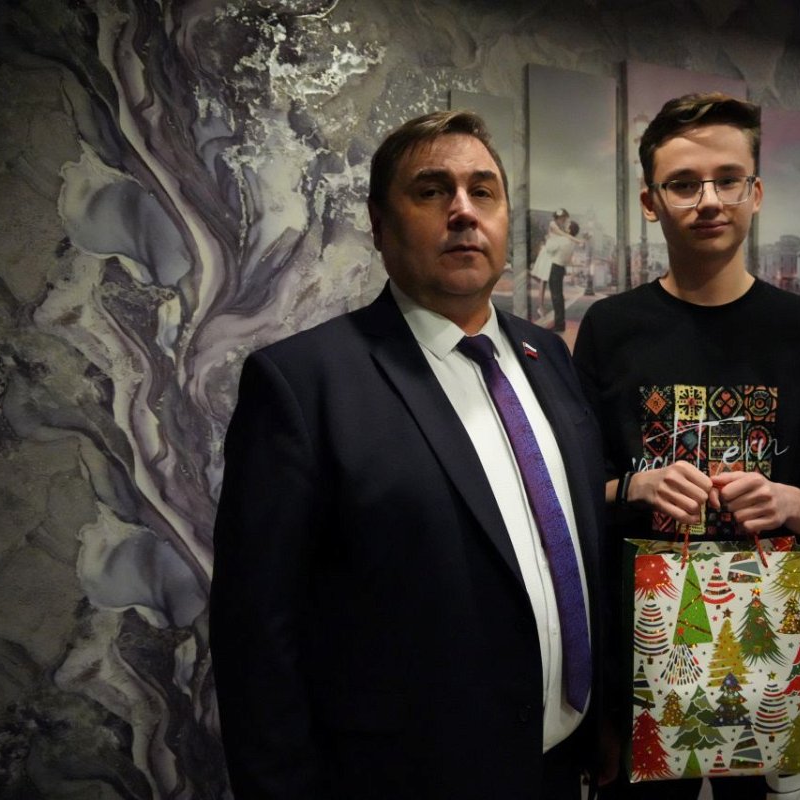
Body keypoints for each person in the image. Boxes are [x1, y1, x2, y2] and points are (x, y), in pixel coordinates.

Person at [210, 110, 605, 800]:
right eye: (431, 190)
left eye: (483, 191)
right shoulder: (304, 385)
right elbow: (257, 634)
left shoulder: (548, 357)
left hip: (560, 767)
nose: (463, 211)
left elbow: (570, 539)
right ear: (379, 222)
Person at [573, 93, 800, 799]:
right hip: (641, 650)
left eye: (727, 179)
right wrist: (637, 486)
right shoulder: (611, 328)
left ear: (754, 193)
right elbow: (577, 492)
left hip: (768, 638)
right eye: (683, 184)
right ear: (651, 203)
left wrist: (787, 500)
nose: (708, 200)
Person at [546, 219, 590, 332]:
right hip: (561, 268)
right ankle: (560, 323)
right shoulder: (571, 241)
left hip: (556, 268)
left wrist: (550, 236)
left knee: (556, 297)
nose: (565, 225)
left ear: (569, 229)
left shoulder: (563, 239)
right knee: (559, 297)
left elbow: (549, 248)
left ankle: (559, 324)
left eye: (567, 225)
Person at [531, 208, 570, 317]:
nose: (563, 220)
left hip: (554, 255)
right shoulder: (553, 224)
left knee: (548, 281)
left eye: (564, 218)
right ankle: (540, 307)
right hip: (548, 255)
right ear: (558, 217)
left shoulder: (561, 227)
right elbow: (561, 236)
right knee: (543, 281)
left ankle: (544, 307)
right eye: (562, 218)